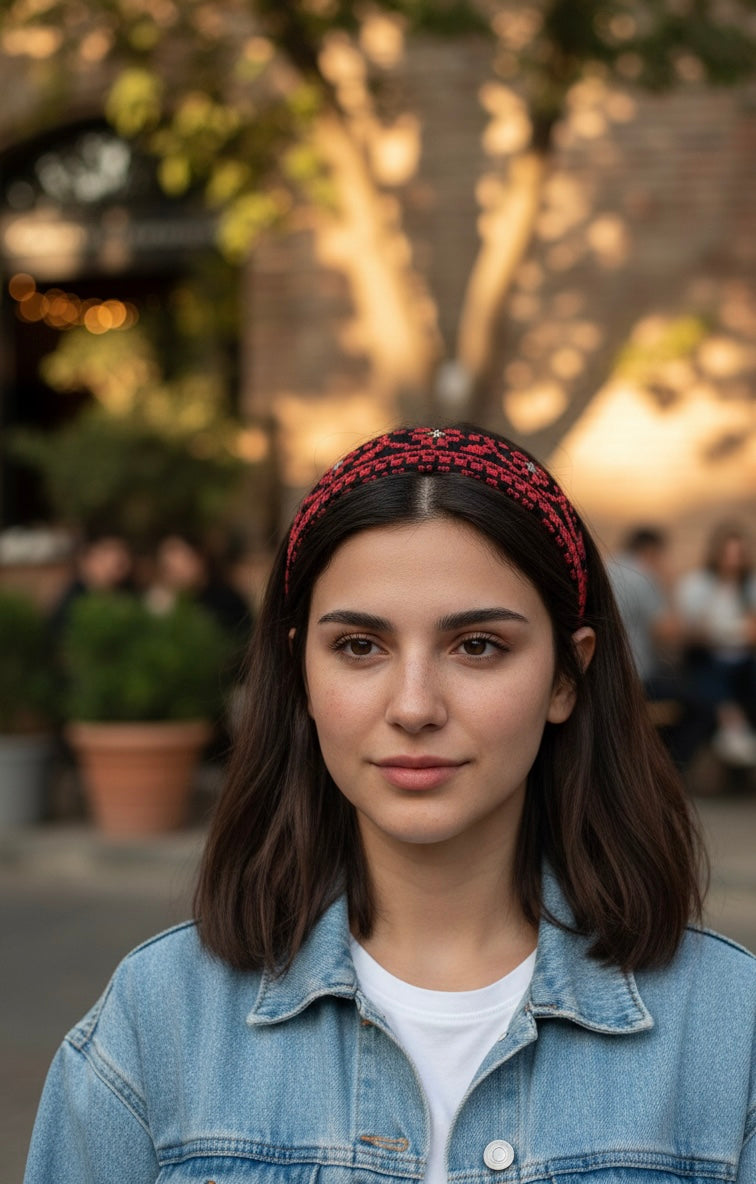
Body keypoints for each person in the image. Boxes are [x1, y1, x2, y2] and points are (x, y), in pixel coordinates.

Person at [24, 426, 754, 1184]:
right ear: (300, 668)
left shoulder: (731, 1037)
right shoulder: (157, 1024)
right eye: (360, 647)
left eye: (476, 646)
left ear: (567, 677)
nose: (414, 707)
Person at [607, 526, 714, 769]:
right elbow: (668, 632)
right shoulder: (640, 575)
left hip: (607, 675)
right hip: (635, 679)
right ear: (651, 551)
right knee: (704, 704)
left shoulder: (607, 568)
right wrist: (668, 587)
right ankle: (672, 770)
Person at [676, 523, 756, 767]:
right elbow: (687, 630)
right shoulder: (697, 585)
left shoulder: (750, 585)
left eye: (737, 555)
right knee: (705, 672)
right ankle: (735, 728)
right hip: (707, 657)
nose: (732, 562)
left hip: (744, 659)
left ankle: (736, 732)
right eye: (727, 555)